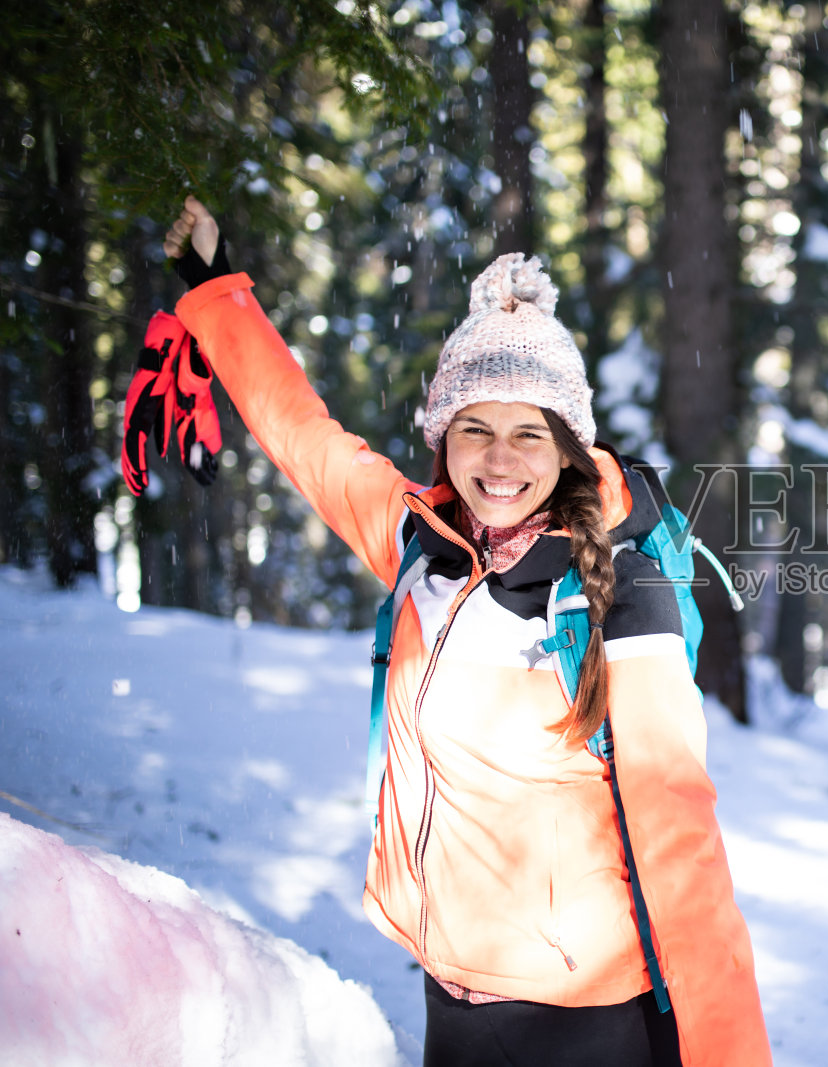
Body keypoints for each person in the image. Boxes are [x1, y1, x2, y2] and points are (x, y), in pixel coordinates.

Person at [161, 198, 770, 1067]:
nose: (499, 459)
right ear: (443, 438)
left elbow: (683, 845)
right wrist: (216, 289)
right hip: (451, 993)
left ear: (567, 448)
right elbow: (304, 437)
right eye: (474, 429)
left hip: (586, 1021)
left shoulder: (622, 595)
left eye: (529, 434)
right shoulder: (425, 548)